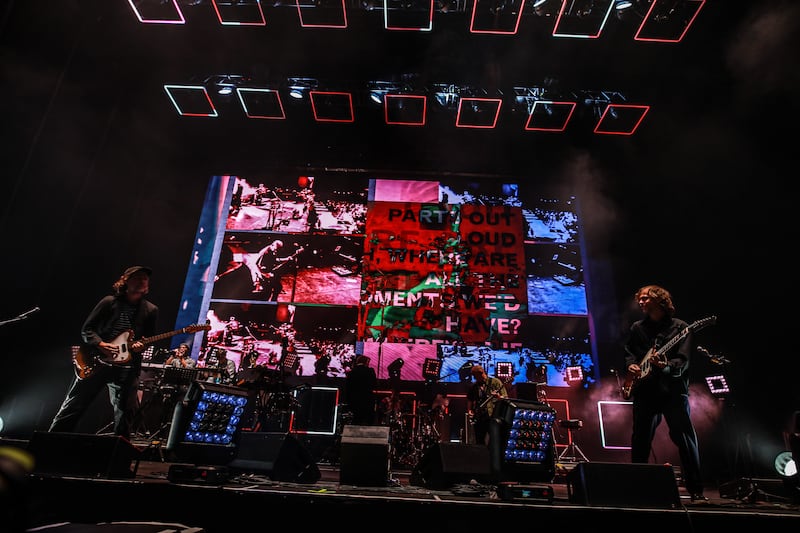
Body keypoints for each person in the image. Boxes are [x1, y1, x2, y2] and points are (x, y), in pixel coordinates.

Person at [49, 266, 159, 440]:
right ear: (125, 280)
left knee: (126, 412)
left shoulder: (151, 310)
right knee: (74, 406)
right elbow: (87, 330)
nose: (142, 281)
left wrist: (142, 346)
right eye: (137, 277)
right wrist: (101, 344)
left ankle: (117, 451)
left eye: (145, 278)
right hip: (97, 361)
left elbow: (148, 338)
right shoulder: (109, 302)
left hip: (125, 367)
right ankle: (49, 444)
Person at [623, 284, 707, 502]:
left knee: (685, 439)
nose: (641, 302)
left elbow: (683, 361)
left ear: (659, 300)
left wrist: (666, 366)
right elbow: (629, 352)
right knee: (640, 440)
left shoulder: (681, 328)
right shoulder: (637, 328)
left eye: (645, 298)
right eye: (639, 298)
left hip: (672, 391)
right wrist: (632, 365)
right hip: (646, 392)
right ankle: (638, 489)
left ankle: (696, 490)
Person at [466, 365, 508, 446]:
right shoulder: (474, 386)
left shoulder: (495, 382)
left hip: (493, 416)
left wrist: (498, 396)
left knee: (494, 440)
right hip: (479, 417)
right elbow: (469, 399)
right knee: (479, 441)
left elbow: (505, 397)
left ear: (481, 373)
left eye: (475, 375)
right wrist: (469, 410)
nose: (474, 378)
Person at [344, 355, 378, 425]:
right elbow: (374, 384)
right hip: (367, 400)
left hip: (354, 400)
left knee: (356, 420)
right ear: (366, 362)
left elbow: (348, 387)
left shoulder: (351, 372)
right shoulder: (370, 371)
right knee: (368, 421)